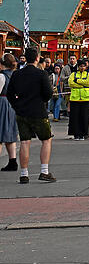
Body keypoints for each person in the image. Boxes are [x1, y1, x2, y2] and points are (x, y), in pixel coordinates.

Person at [7, 47, 57, 183]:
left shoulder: (17, 74)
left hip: (22, 112)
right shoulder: (41, 74)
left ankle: (24, 174)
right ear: (37, 58)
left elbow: (10, 93)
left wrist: (17, 106)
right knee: (46, 139)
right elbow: (48, 93)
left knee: (24, 141)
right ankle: (44, 171)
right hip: (38, 111)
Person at [0, 54, 19, 172]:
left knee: (0, 134)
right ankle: (13, 162)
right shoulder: (15, 75)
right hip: (13, 104)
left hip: (2, 103)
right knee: (10, 134)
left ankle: (12, 163)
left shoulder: (2, 76)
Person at [68, 59, 89, 141]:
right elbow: (70, 83)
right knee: (75, 118)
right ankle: (76, 134)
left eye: (84, 66)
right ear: (78, 67)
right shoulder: (73, 74)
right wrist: (82, 85)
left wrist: (77, 81)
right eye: (80, 66)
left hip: (86, 99)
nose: (82, 67)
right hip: (75, 99)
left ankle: (83, 134)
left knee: (84, 117)